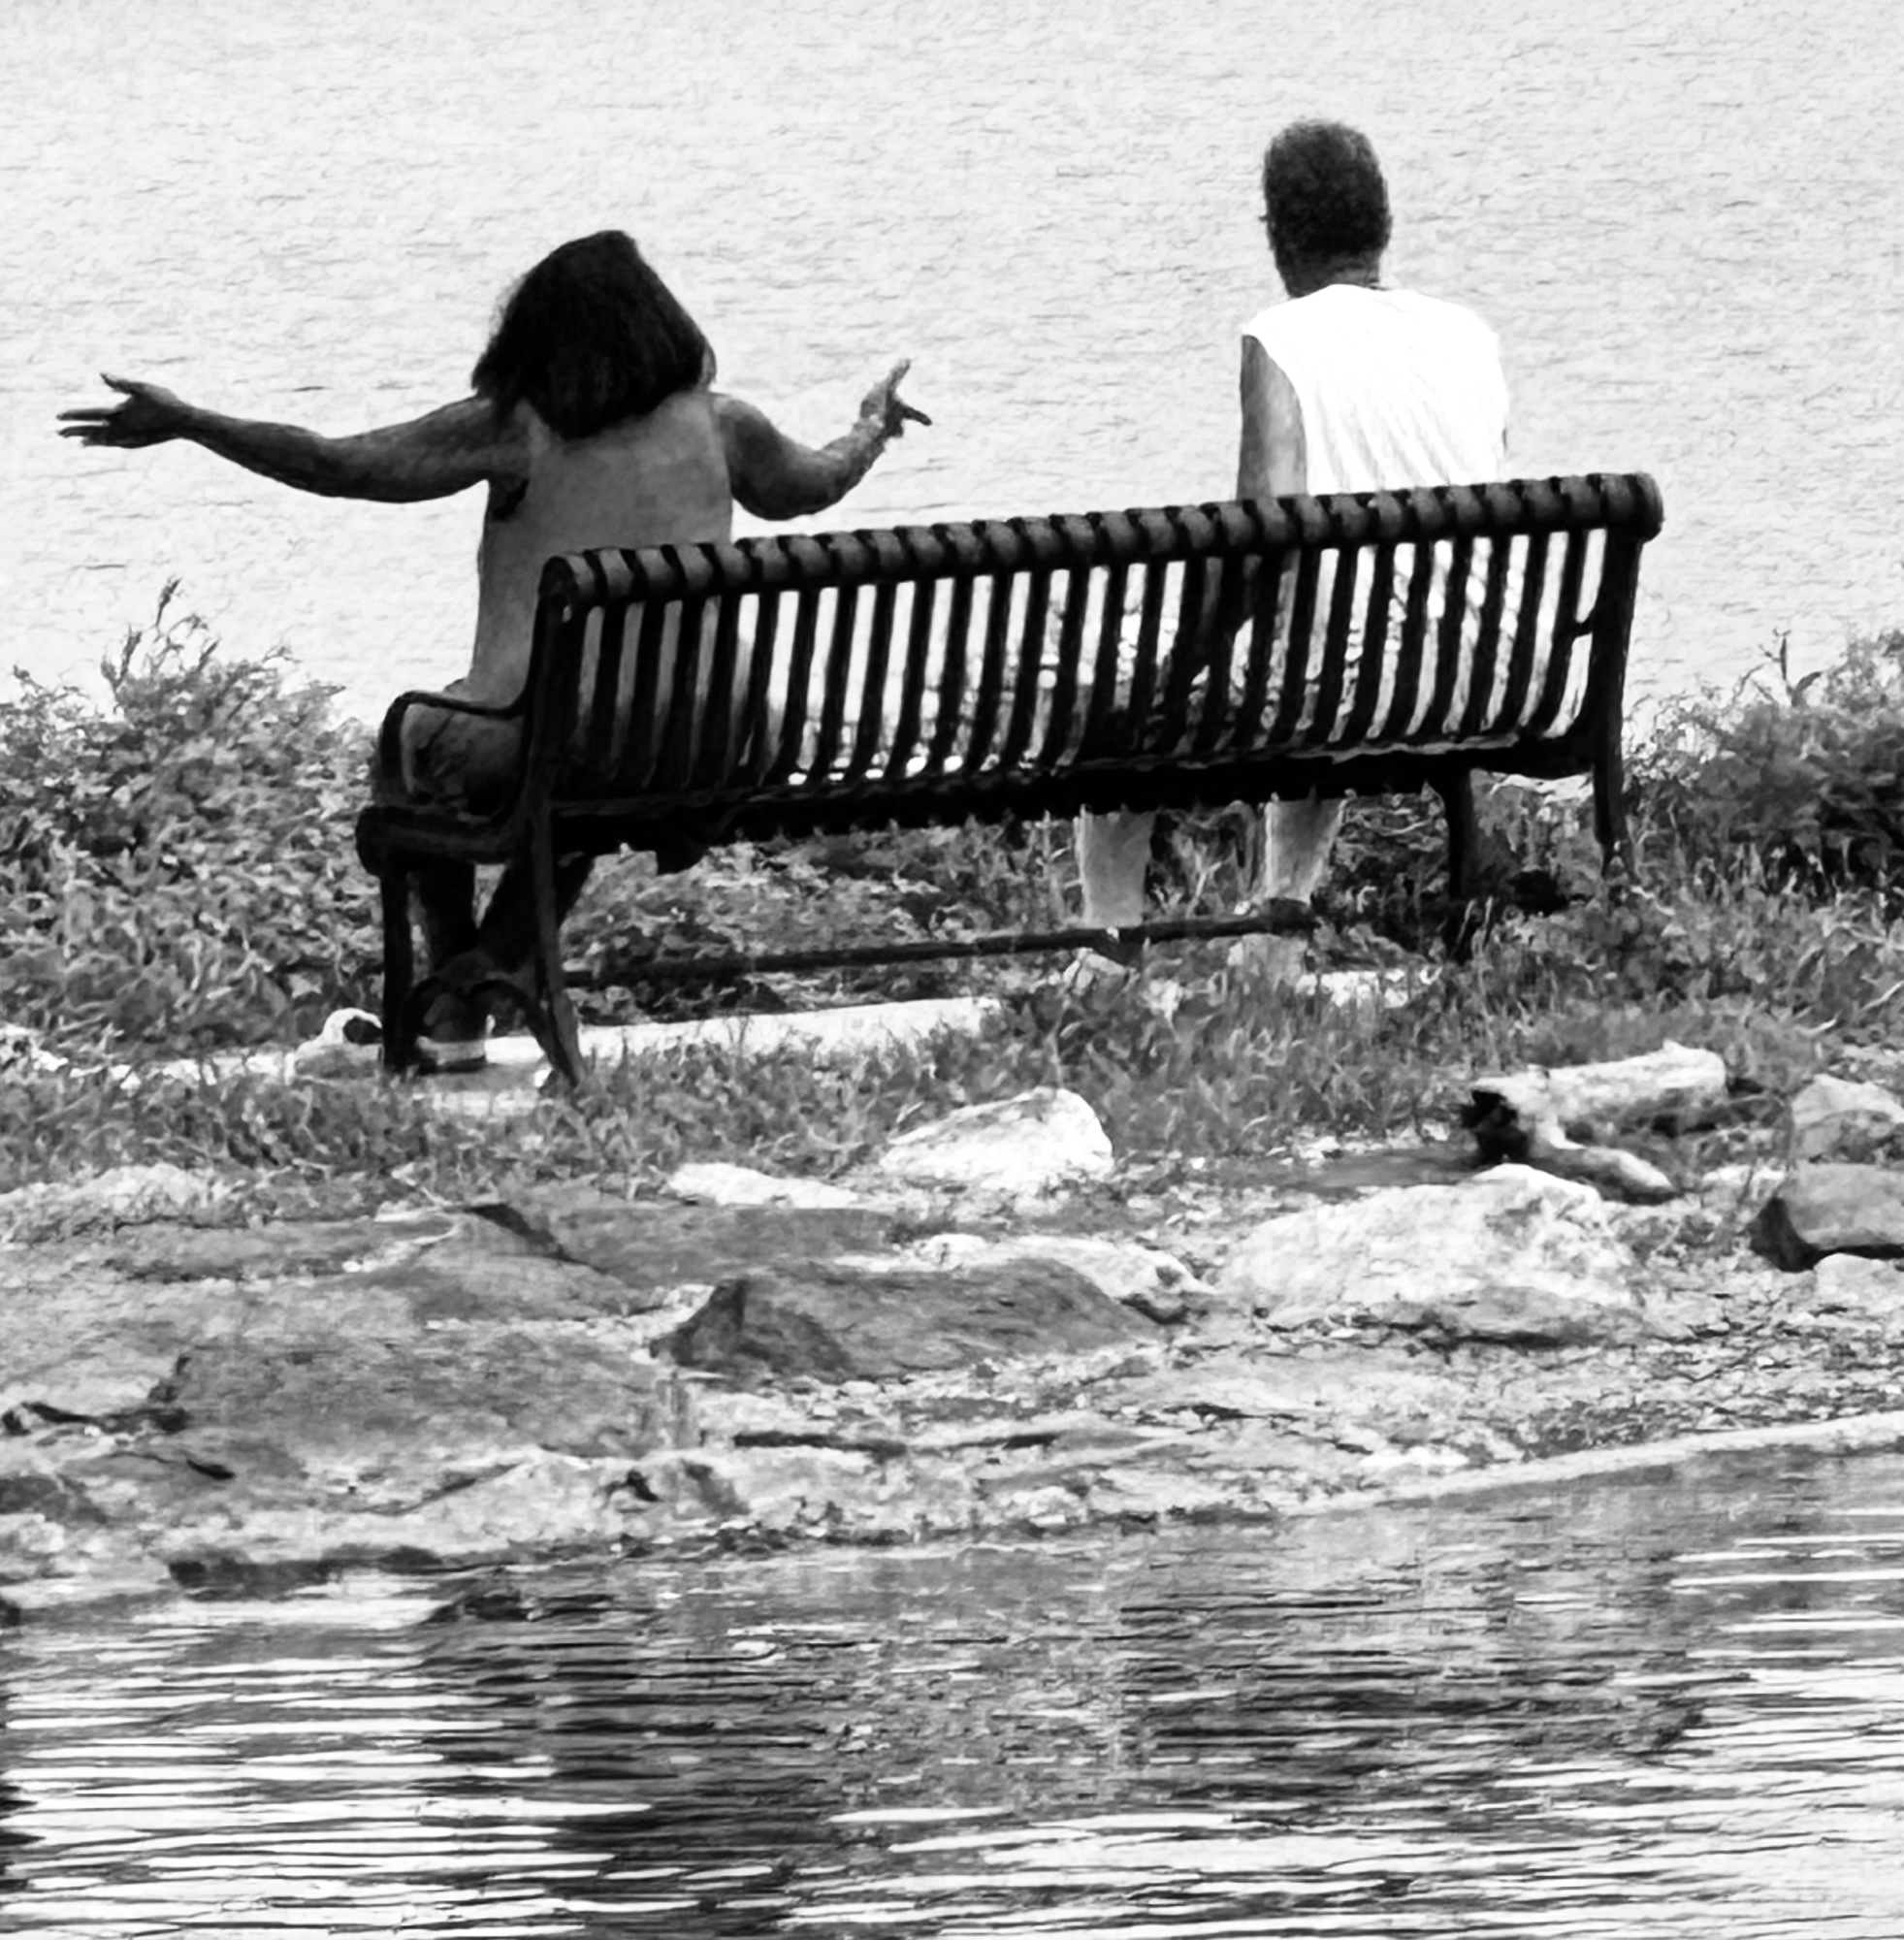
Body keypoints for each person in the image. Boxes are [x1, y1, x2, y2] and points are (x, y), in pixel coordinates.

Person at [60, 230, 928, 1068]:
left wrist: (193, 422)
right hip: (707, 747)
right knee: (576, 784)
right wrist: (872, 426)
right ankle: (477, 982)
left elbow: (337, 464)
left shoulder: (513, 429)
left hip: (554, 743)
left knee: (419, 745)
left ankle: (458, 990)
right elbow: (813, 486)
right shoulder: (725, 426)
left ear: (532, 338)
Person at [1074, 119, 1509, 985]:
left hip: (1355, 691)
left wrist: (1179, 665)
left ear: (1276, 234)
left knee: (1128, 696)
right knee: (1325, 656)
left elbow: (1260, 536)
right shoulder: (1469, 335)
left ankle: (1108, 956)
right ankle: (1274, 938)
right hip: (1484, 679)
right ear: (1381, 225)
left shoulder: (1280, 339)